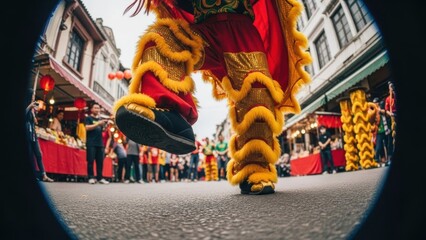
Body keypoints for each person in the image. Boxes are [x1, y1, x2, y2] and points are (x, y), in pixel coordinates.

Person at [113, 0, 311, 194]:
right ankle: (167, 112)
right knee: (163, 38)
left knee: (257, 96)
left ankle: (255, 167)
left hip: (241, 30)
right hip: (204, 32)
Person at [25, 88, 54, 182]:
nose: (34, 96)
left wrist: (34, 115)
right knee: (29, 154)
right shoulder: (25, 105)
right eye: (33, 94)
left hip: (33, 133)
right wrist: (30, 107)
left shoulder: (32, 107)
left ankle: (44, 175)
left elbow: (33, 121)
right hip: (26, 133)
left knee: (39, 154)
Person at [85, 103, 109, 184]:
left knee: (100, 161)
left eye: (98, 108)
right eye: (95, 108)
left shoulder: (100, 119)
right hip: (91, 143)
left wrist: (105, 125)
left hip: (100, 143)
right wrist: (98, 123)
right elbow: (87, 128)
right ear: (91, 109)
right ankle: (90, 177)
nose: (97, 109)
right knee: (90, 160)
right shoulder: (88, 118)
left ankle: (100, 178)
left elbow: (103, 131)